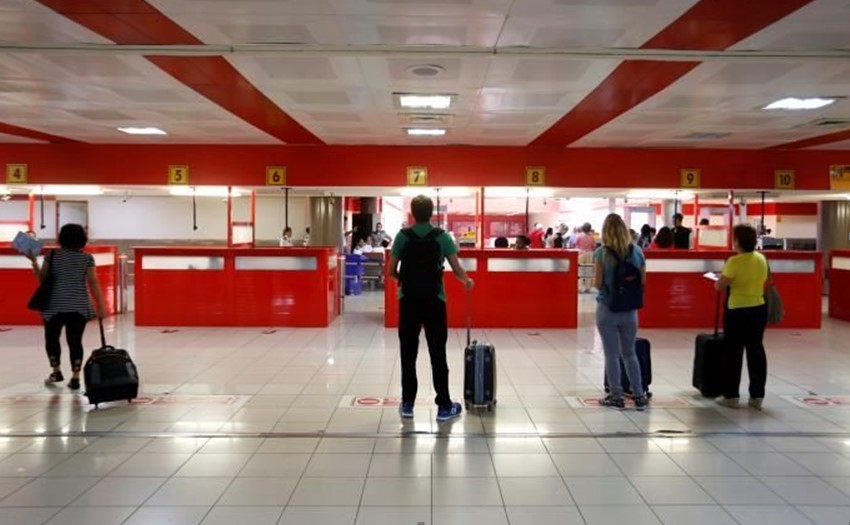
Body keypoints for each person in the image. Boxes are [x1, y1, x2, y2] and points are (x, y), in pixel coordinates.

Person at [389, 195, 473, 422]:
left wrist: (405, 281)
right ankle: (444, 406)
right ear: (432, 212)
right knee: (438, 353)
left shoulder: (402, 236)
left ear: (413, 213)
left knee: (408, 353)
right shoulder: (442, 237)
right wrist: (466, 280)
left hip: (408, 300)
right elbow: (456, 268)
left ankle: (407, 404)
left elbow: (390, 270)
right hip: (435, 301)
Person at [26, 223, 106, 390]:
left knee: (52, 339)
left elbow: (42, 279)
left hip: (54, 306)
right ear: (82, 239)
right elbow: (93, 283)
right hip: (79, 306)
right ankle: (76, 377)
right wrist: (100, 306)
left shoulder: (52, 255)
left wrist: (34, 261)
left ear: (61, 238)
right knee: (75, 341)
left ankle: (56, 371)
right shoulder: (87, 258)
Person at [594, 213, 647, 411]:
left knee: (611, 354)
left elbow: (598, 284)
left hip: (607, 308)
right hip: (630, 310)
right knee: (630, 353)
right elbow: (642, 281)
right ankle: (639, 395)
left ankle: (616, 396)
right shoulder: (637, 251)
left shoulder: (601, 253)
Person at [714, 224, 769, 410]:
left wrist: (720, 278)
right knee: (756, 351)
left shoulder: (734, 261)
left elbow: (720, 286)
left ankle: (731, 395)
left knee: (733, 353)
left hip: (737, 310)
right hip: (758, 308)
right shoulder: (761, 258)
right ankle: (757, 396)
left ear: (737, 240)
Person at [576, 223, 596, 293]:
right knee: (588, 270)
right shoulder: (592, 237)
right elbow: (594, 246)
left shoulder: (579, 236)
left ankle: (579, 288)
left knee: (580, 270)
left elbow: (577, 245)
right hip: (590, 253)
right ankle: (588, 288)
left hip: (581, 253)